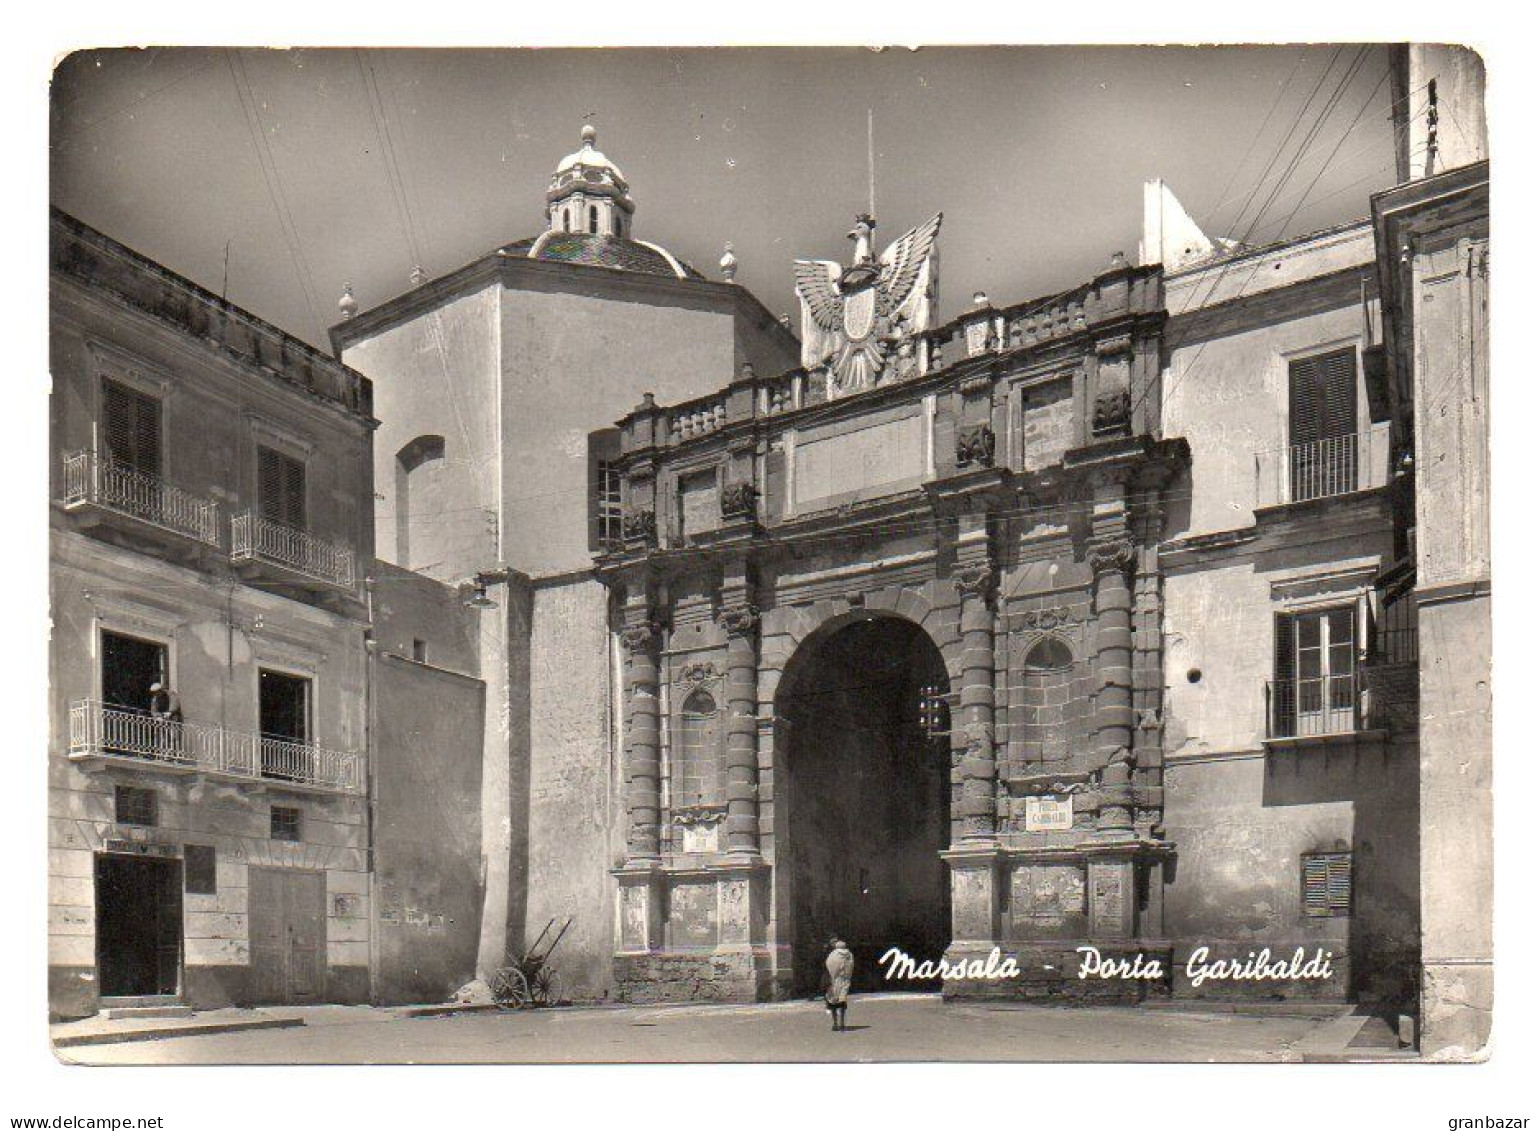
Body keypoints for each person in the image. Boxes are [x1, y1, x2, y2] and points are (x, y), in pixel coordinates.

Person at [824, 936, 854, 1032]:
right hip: (845, 981)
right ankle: (842, 1023)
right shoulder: (849, 955)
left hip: (833, 981)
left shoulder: (833, 955)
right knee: (842, 1003)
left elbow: (829, 966)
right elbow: (851, 968)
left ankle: (835, 1023)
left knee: (832, 1003)